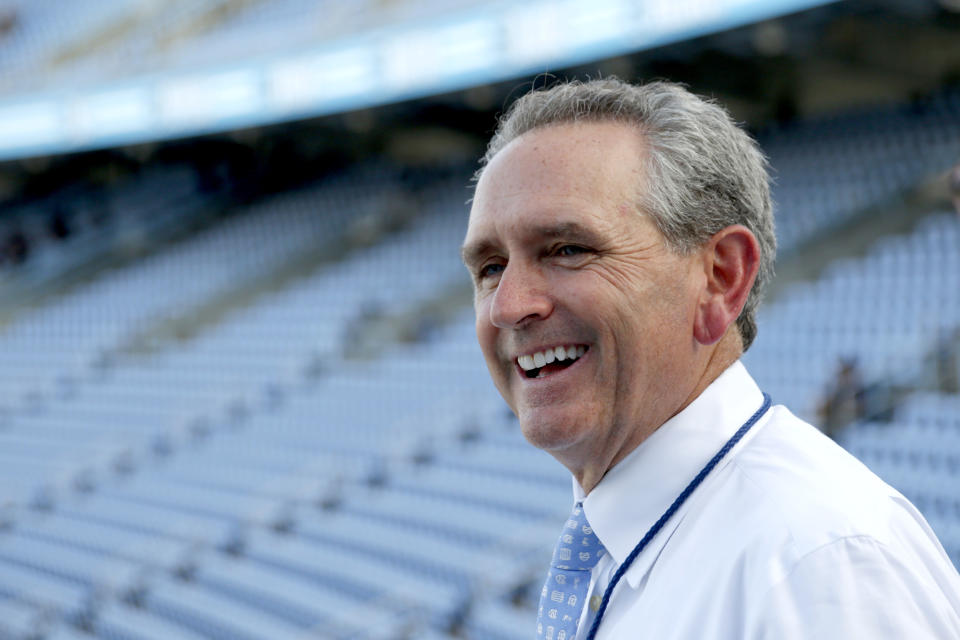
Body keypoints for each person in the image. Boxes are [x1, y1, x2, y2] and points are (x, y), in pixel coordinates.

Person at [461, 78, 960, 640]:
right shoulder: (641, 541)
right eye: (490, 268)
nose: (509, 307)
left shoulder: (818, 564)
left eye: (569, 250)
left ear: (720, 279)